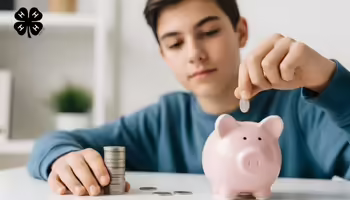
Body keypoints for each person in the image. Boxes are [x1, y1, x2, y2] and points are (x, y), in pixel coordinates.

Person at [28, 0, 350, 197]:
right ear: (164, 55)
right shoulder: (162, 121)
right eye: (175, 43)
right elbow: (52, 142)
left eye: (209, 32)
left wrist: (331, 80)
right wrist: (63, 159)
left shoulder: (303, 107)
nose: (195, 54)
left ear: (240, 32)